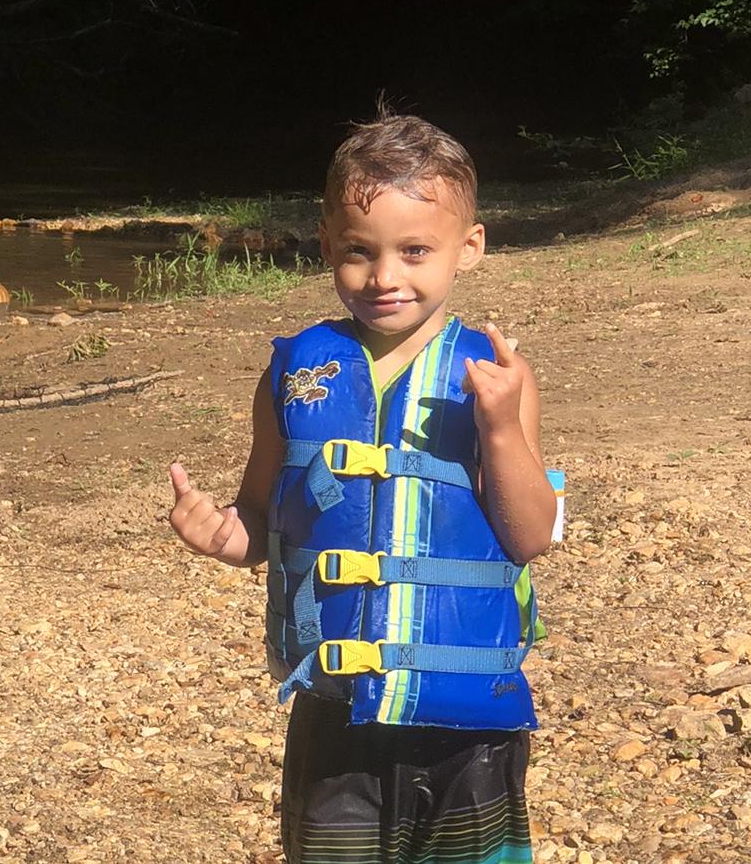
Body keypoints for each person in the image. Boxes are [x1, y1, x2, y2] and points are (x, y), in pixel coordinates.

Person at [169, 110, 557, 864]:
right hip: (334, 716)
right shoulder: (294, 372)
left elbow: (531, 533)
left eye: (415, 251)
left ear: (469, 247)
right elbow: (260, 515)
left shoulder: (493, 375)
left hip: (468, 729)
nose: (384, 277)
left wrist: (502, 427)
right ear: (326, 246)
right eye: (359, 251)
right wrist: (223, 535)